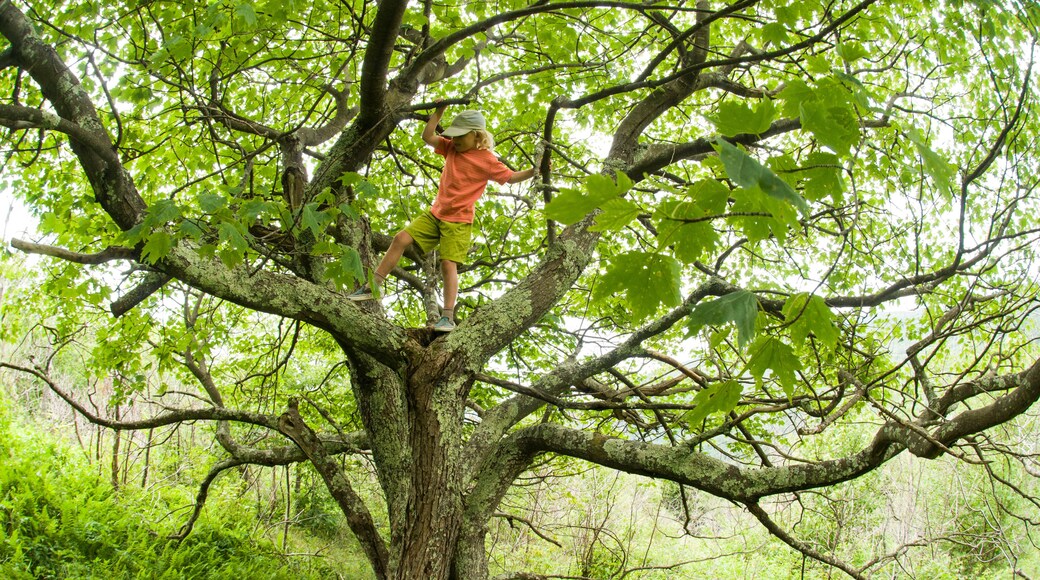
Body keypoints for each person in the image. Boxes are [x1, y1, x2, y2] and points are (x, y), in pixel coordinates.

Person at [349, 103, 538, 332]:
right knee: (400, 239)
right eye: (453, 135)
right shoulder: (451, 148)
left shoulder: (487, 160)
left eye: (461, 136)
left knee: (448, 264)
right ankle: (374, 286)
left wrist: (535, 170)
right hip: (436, 213)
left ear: (476, 136)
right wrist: (439, 113)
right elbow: (427, 136)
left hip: (458, 220)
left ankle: (447, 316)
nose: (455, 140)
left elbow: (510, 177)